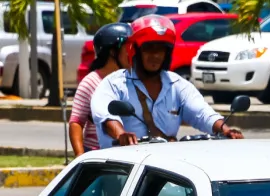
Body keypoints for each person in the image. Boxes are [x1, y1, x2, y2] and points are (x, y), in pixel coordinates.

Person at [91, 15, 243, 147]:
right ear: (135, 51)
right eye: (149, 48)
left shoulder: (178, 85)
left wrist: (224, 129)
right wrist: (121, 135)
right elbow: (106, 117)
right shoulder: (113, 84)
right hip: (122, 169)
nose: (155, 55)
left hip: (163, 168)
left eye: (161, 49)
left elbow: (202, 113)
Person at [69, 22, 132, 156]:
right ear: (113, 52)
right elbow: (76, 122)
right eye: (127, 48)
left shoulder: (133, 79)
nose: (131, 53)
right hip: (98, 155)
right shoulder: (91, 82)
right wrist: (81, 158)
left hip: (129, 153)